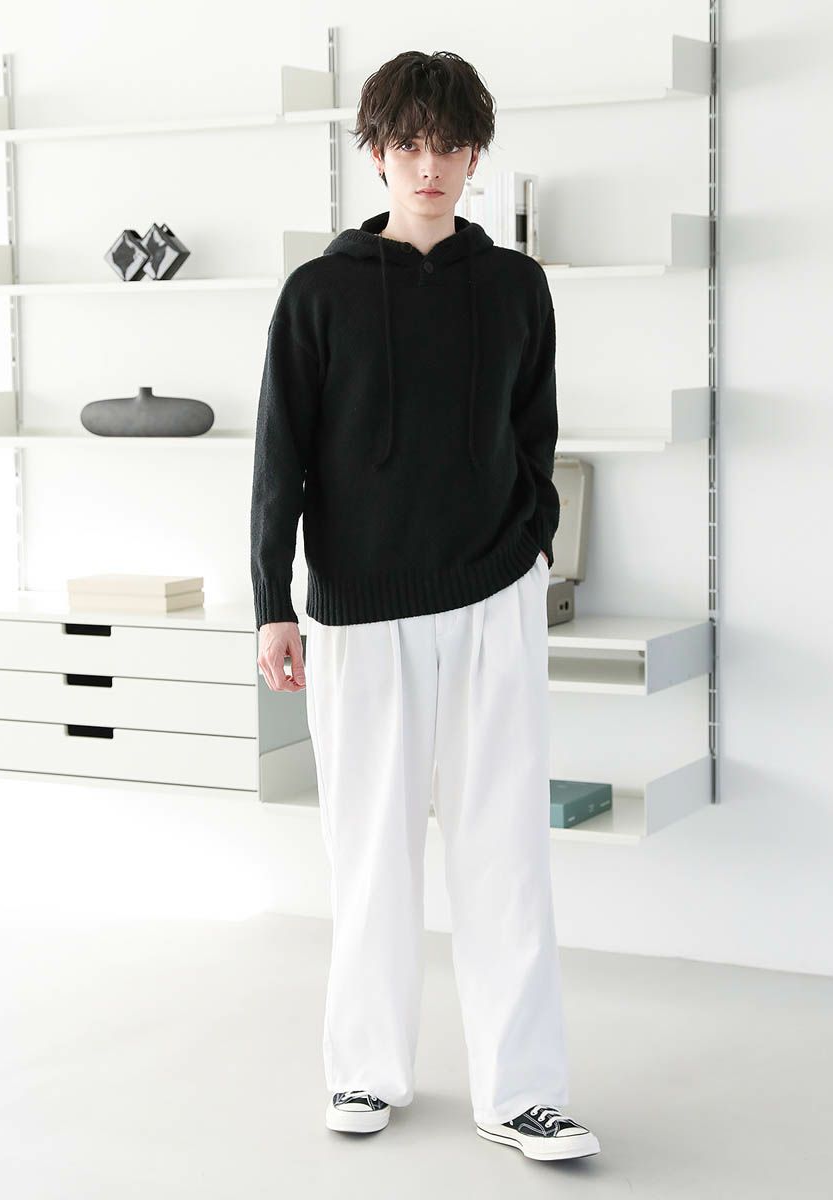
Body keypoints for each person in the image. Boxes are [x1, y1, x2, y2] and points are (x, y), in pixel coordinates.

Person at [250, 49, 600, 1163]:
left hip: (494, 599)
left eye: (450, 145)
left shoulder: (517, 287)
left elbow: (537, 433)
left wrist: (531, 546)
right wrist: (272, 603)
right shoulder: (318, 294)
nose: (430, 165)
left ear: (476, 154)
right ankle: (365, 1071)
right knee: (369, 851)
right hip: (359, 610)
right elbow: (279, 460)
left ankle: (522, 1092)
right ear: (377, 153)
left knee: (506, 852)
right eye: (409, 144)